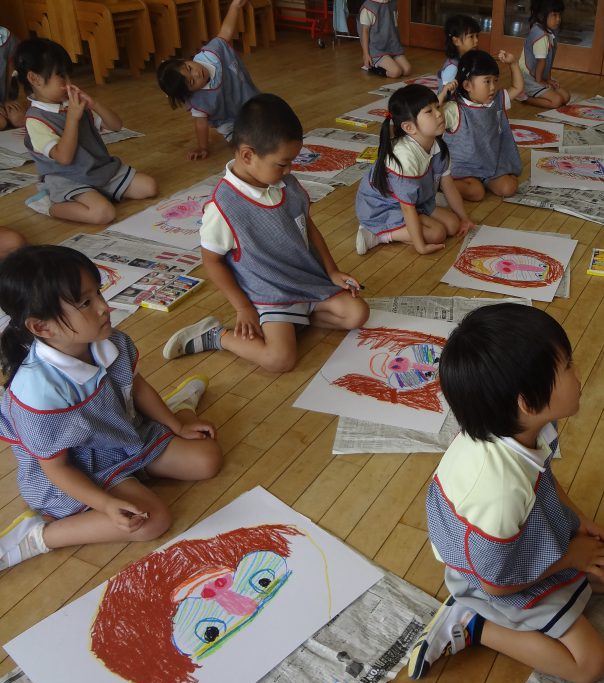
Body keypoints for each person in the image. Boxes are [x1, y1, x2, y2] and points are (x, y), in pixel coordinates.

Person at [408, 303, 604, 683]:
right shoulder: (498, 494)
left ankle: (562, 587)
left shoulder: (526, 427)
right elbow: (495, 581)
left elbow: (545, 480)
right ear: (526, 401)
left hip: (531, 542)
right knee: (591, 665)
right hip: (495, 579)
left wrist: (580, 521)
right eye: (567, 366)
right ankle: (473, 624)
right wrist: (571, 557)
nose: (579, 373)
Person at [0, 245, 222, 572]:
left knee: (207, 460)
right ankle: (37, 537)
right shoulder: (37, 395)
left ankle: (176, 412)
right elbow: (57, 468)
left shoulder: (107, 340)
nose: (105, 308)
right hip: (79, 468)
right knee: (152, 521)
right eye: (86, 303)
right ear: (41, 327)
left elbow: (136, 385)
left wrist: (175, 424)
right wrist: (105, 503)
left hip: (122, 431)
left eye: (99, 293)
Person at [163, 94, 369, 373]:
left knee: (358, 313)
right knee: (279, 360)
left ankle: (293, 321)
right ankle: (216, 336)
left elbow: (306, 224)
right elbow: (211, 260)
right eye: (282, 163)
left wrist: (331, 271)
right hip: (269, 292)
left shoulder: (285, 183)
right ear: (247, 155)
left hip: (304, 279)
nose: (289, 170)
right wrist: (242, 308)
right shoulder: (224, 206)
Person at [16, 39, 157, 224]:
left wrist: (95, 104)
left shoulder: (71, 104)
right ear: (34, 79)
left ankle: (96, 192)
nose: (68, 83)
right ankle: (49, 205)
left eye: (68, 75)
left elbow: (116, 125)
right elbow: (64, 158)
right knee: (103, 214)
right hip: (67, 178)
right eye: (61, 76)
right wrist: (73, 119)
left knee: (149, 187)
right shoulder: (36, 120)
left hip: (97, 169)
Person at [355, 84, 473, 255]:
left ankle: (419, 218)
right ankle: (378, 234)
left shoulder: (437, 143)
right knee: (437, 233)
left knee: (454, 225)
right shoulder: (404, 157)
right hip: (383, 207)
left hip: (415, 201)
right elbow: (407, 208)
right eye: (429, 111)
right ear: (409, 127)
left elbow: (448, 185)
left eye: (437, 107)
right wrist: (420, 246)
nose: (439, 113)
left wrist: (465, 219)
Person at [156, 0, 260, 160]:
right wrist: (202, 147)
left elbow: (225, 33)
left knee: (271, 124)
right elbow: (201, 124)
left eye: (190, 69)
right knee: (246, 143)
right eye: (191, 82)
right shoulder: (199, 101)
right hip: (230, 121)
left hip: (250, 100)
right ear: (189, 93)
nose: (197, 75)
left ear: (186, 60)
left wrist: (235, 6)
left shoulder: (211, 54)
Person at [442, 49, 523, 201]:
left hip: (490, 163)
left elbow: (517, 88)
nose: (493, 87)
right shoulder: (454, 108)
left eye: (495, 80)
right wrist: (442, 96)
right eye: (487, 81)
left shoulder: (496, 100)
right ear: (467, 85)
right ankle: (442, 184)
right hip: (463, 168)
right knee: (477, 193)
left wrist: (513, 63)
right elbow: (430, 118)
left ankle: (482, 180)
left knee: (509, 188)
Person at [518, 0, 571, 108]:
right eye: (554, 15)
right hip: (527, 78)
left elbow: (547, 62)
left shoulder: (548, 31)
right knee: (556, 102)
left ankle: (538, 92)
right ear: (541, 16)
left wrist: (548, 79)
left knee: (566, 97)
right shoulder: (541, 36)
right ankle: (524, 97)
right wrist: (540, 81)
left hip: (539, 75)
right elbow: (541, 62)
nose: (558, 19)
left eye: (559, 15)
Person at [360, 0, 410, 79]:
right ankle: (372, 67)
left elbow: (394, 25)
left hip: (393, 46)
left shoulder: (392, 3)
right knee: (396, 72)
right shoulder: (369, 6)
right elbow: (365, 32)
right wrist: (366, 55)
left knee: (407, 70)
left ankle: (389, 60)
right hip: (377, 49)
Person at [439, 14, 480, 90]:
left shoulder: (468, 58)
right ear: (456, 41)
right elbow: (445, 95)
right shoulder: (452, 68)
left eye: (477, 36)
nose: (476, 40)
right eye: (471, 36)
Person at [0, 26, 25, 130]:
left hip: (3, 100)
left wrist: (8, 99)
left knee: (18, 118)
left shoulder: (4, 36)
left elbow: (11, 71)